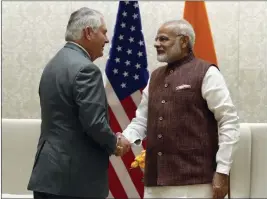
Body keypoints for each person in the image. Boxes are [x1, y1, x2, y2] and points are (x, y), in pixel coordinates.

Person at [122, 19, 240, 199]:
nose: (156, 44)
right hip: (155, 183)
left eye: (163, 39)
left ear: (184, 41)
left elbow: (228, 121)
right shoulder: (155, 77)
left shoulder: (207, 72)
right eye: (156, 39)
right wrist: (125, 139)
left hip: (194, 184)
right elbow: (142, 121)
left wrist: (223, 170)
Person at [27, 7, 130, 199]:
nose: (107, 40)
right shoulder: (86, 70)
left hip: (48, 176)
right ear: (88, 33)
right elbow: (95, 123)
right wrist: (115, 143)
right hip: (76, 182)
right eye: (104, 32)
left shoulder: (53, 64)